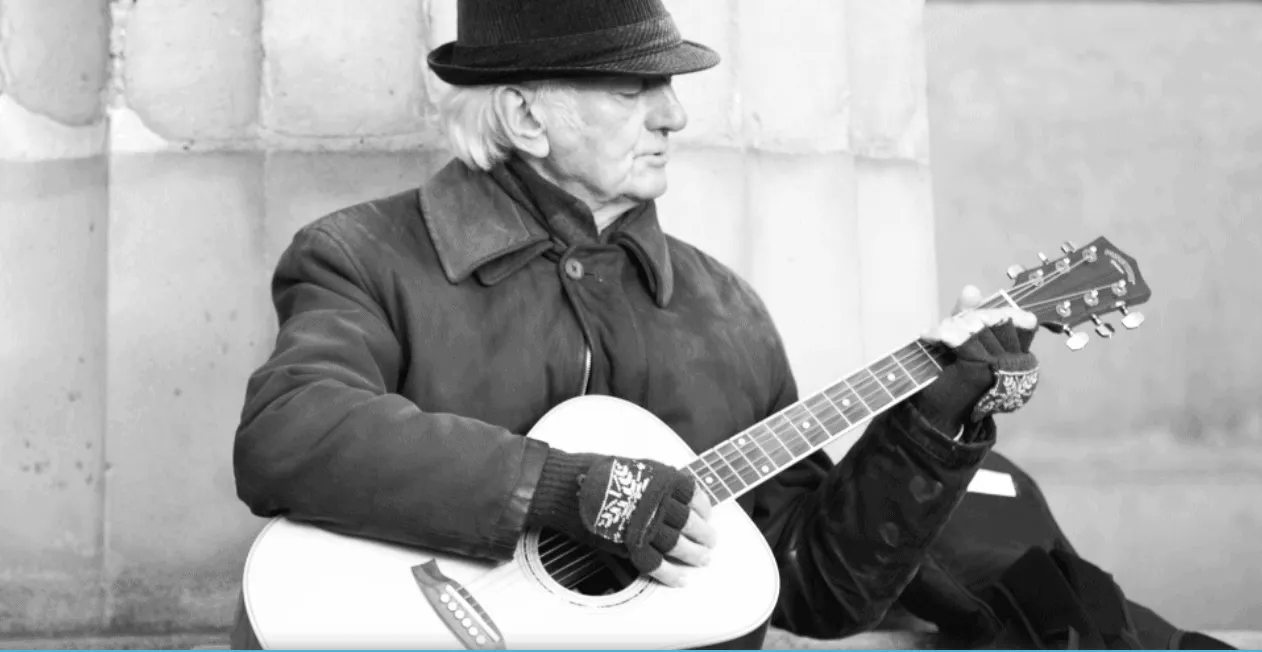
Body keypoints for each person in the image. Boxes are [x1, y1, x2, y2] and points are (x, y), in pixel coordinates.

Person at [229, 0, 1042, 648]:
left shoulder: (723, 310)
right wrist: (564, 490)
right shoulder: (363, 255)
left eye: (668, 87)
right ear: (525, 116)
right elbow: (289, 432)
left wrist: (937, 421)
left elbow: (813, 587)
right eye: (631, 89)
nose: (674, 116)